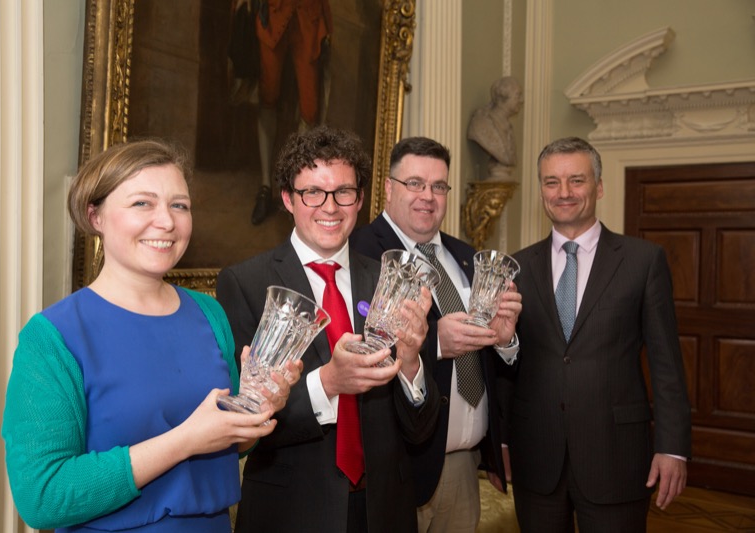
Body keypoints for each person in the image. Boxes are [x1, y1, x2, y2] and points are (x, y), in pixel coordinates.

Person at [2, 139, 299, 532]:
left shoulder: (209, 313)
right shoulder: (53, 338)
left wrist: (260, 410)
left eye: (179, 205)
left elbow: (232, 447)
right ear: (96, 216)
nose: (167, 221)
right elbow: (42, 498)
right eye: (143, 203)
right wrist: (184, 440)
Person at [217, 126, 440, 532]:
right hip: (291, 512)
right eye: (313, 192)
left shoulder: (390, 280)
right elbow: (244, 423)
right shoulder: (246, 283)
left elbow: (421, 429)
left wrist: (410, 362)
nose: (330, 206)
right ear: (288, 199)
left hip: (384, 511)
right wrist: (328, 383)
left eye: (344, 192)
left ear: (360, 200)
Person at [506, 137, 691, 532]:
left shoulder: (643, 261)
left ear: (599, 187)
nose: (564, 193)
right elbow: (508, 362)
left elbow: (667, 365)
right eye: (551, 182)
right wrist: (499, 443)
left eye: (577, 180)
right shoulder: (517, 267)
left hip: (617, 459)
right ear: (541, 190)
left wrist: (673, 447)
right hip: (536, 458)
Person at [350, 136, 523, 532]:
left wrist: (505, 341)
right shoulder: (359, 252)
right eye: (415, 183)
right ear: (389, 189)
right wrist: (437, 343)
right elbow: (359, 345)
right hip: (397, 467)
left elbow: (493, 362)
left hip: (464, 467)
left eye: (438, 186)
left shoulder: (466, 256)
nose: (428, 196)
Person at [250, 0, 333, 225]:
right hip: (274, 13)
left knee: (310, 108)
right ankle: (266, 187)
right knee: (268, 95)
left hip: (309, 18)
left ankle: (299, 188)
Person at [467, 76, 523, 180]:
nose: (521, 100)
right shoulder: (481, 123)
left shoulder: (508, 126)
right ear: (503, 98)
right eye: (517, 95)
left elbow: (509, 158)